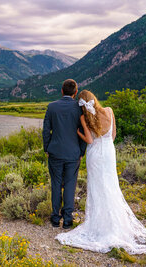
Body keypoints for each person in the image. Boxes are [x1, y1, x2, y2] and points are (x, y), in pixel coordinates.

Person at [55, 90, 146, 254]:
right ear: (94, 99)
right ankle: (117, 224)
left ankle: (100, 225)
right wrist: (105, 142)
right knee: (110, 185)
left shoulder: (84, 118)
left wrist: (78, 132)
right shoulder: (109, 110)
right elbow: (113, 135)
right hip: (109, 152)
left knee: (97, 188)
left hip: (94, 154)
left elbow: (89, 140)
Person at [42, 79, 87, 229]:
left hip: (55, 152)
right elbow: (83, 131)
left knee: (55, 184)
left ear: (61, 91)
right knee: (70, 185)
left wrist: (47, 148)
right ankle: (67, 220)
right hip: (73, 154)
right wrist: (81, 151)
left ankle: (55, 218)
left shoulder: (52, 107)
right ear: (75, 92)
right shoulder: (80, 108)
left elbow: (46, 131)